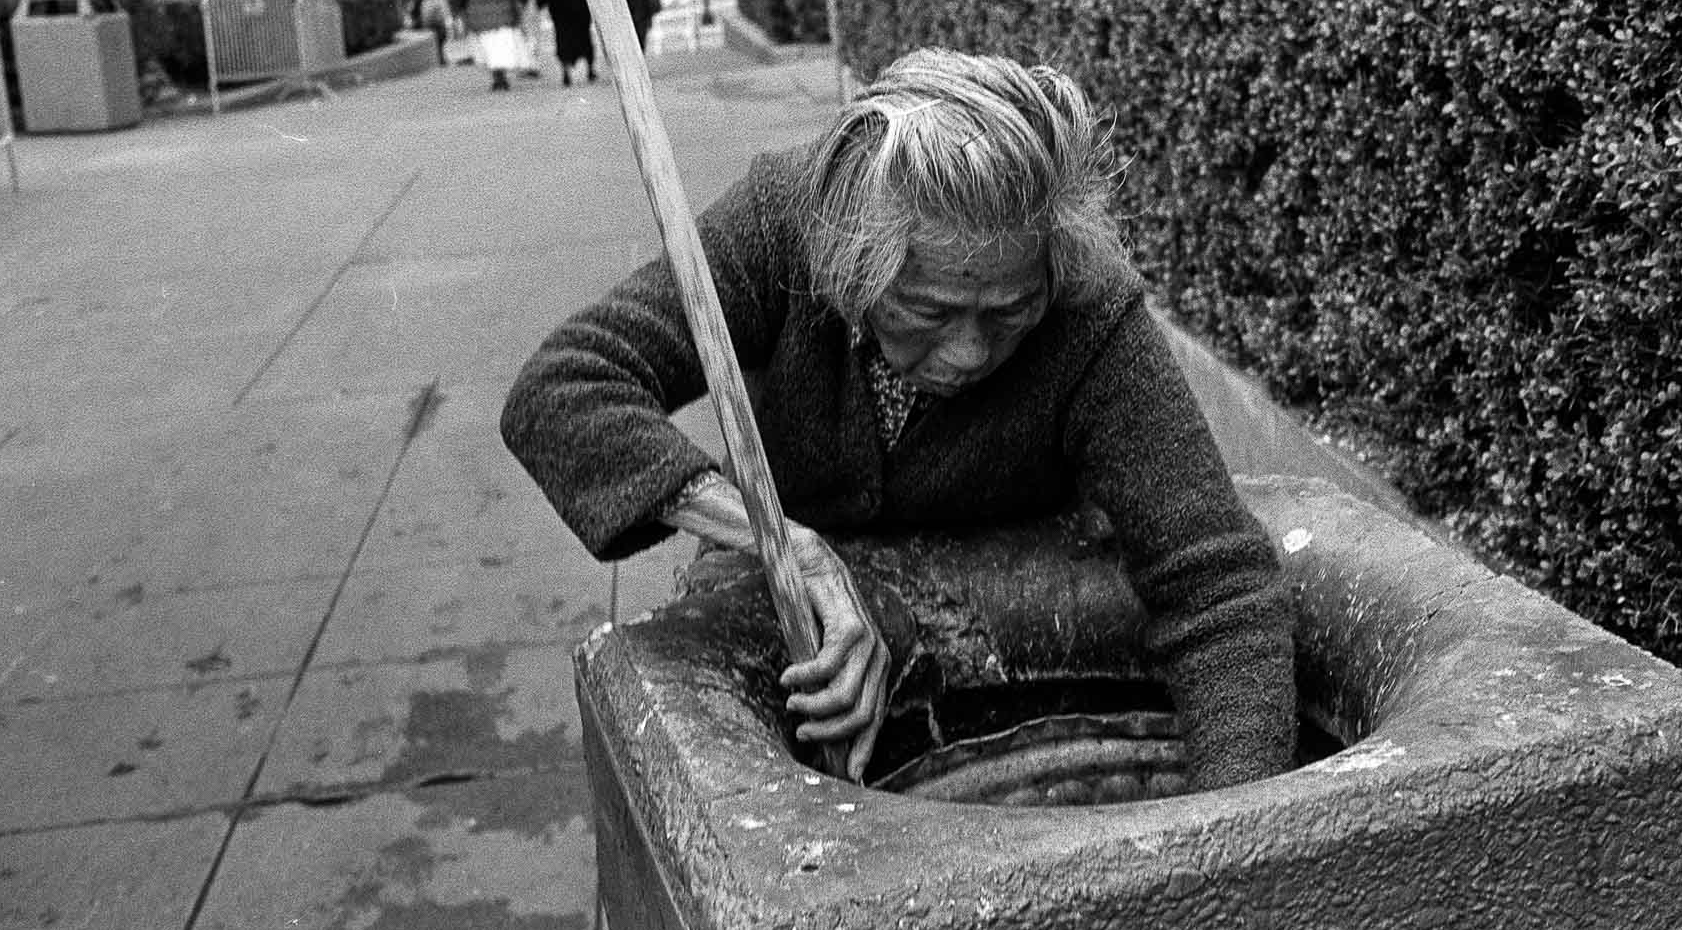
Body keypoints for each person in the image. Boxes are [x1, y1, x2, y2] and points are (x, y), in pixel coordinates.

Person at [501, 49, 1299, 789]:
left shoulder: (1089, 307)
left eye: (1010, 310)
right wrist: (783, 545)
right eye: (927, 311)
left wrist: (1229, 839)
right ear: (854, 260)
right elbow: (565, 389)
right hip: (811, 661)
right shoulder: (784, 225)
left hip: (1018, 676)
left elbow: (1219, 587)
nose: (968, 353)